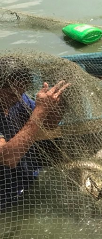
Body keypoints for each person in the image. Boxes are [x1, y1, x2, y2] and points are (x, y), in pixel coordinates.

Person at [0, 56, 70, 211]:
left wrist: (57, 104)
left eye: (21, 92)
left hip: (26, 179)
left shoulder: (19, 98)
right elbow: (8, 158)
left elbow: (48, 125)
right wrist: (40, 110)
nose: (17, 99)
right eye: (12, 94)